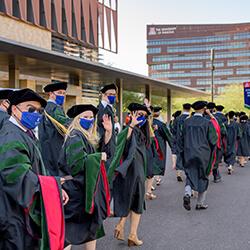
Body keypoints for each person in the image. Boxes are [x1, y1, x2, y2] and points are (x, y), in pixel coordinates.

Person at [0, 88, 68, 249]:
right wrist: (52, 186)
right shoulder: (12, 136)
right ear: (14, 109)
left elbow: (37, 168)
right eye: (30, 109)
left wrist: (55, 185)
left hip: (20, 209)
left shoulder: (24, 132)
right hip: (13, 212)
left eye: (39, 110)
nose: (36, 113)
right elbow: (15, 175)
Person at [58, 104, 112, 250]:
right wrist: (97, 157)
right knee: (68, 233)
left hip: (83, 190)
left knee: (91, 229)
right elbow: (76, 166)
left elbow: (104, 153)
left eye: (91, 117)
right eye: (85, 117)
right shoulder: (75, 135)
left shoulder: (84, 135)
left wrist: (108, 132)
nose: (89, 120)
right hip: (75, 192)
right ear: (77, 119)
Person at [108, 103, 151, 247]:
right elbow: (123, 142)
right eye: (138, 114)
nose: (141, 117)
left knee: (132, 200)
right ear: (131, 115)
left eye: (144, 115)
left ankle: (121, 226)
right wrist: (131, 126)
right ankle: (132, 234)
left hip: (133, 171)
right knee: (137, 202)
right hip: (134, 172)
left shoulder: (140, 131)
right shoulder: (129, 130)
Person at [181, 101, 218, 211]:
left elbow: (181, 138)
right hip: (203, 153)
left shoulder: (186, 123)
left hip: (188, 152)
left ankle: (187, 193)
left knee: (190, 173)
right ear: (203, 109)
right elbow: (214, 139)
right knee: (203, 175)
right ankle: (200, 203)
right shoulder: (207, 123)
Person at [38, 81, 72, 176]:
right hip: (55, 145)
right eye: (59, 93)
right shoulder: (54, 108)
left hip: (46, 145)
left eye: (64, 93)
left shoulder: (45, 107)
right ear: (51, 93)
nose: (62, 95)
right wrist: (77, 121)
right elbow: (63, 123)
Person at [97, 84, 117, 170]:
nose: (113, 96)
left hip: (111, 142)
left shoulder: (109, 108)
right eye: (110, 94)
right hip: (105, 144)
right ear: (104, 95)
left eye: (114, 94)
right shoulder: (101, 108)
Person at [152, 107, 173, 185]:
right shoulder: (161, 124)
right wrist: (173, 146)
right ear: (159, 114)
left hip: (149, 144)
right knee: (158, 161)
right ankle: (154, 180)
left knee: (151, 161)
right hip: (159, 145)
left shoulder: (148, 123)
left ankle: (156, 179)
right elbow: (168, 136)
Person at [173, 103, 191, 182]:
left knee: (179, 156)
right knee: (188, 156)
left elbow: (173, 130)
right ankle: (188, 172)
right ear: (190, 109)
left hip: (179, 140)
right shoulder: (190, 118)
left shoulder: (177, 119)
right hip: (188, 140)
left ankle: (179, 172)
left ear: (183, 109)